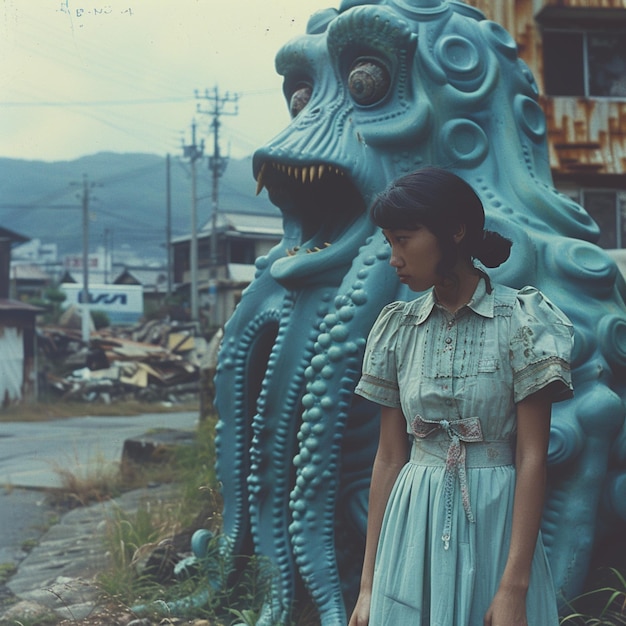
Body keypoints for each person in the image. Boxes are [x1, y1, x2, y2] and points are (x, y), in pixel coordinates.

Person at [348, 167, 574, 626]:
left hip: (495, 519)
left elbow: (532, 456)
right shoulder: (397, 328)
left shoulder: (522, 321)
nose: (394, 257)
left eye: (404, 239)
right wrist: (369, 585)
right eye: (389, 242)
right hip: (412, 523)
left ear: (455, 231)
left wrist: (514, 586)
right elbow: (390, 458)